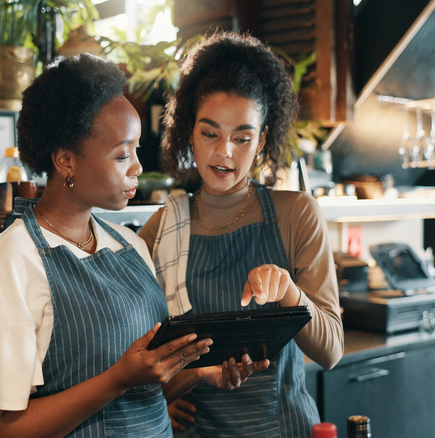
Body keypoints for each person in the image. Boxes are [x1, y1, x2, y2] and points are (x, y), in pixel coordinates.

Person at [0, 53, 261, 438]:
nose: (137, 166)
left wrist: (200, 373)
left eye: (135, 150)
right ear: (65, 160)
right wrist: (116, 379)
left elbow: (146, 390)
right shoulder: (13, 260)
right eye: (122, 154)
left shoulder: (129, 246)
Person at [138, 32, 344, 437]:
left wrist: (288, 291)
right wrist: (172, 389)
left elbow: (332, 350)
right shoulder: (161, 229)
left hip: (282, 427)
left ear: (262, 140)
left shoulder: (295, 213)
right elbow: (141, 365)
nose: (225, 152)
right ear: (189, 131)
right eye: (210, 133)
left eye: (242, 138)